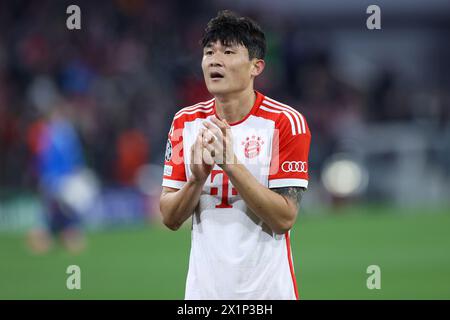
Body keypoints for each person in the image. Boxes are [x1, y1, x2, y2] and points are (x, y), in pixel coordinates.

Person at [160, 10, 311, 300]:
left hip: (268, 295)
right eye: (209, 52)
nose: (215, 60)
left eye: (228, 52)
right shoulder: (185, 123)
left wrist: (230, 164)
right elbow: (170, 217)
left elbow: (284, 217)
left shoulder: (284, 123)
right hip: (203, 296)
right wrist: (196, 180)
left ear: (256, 66)